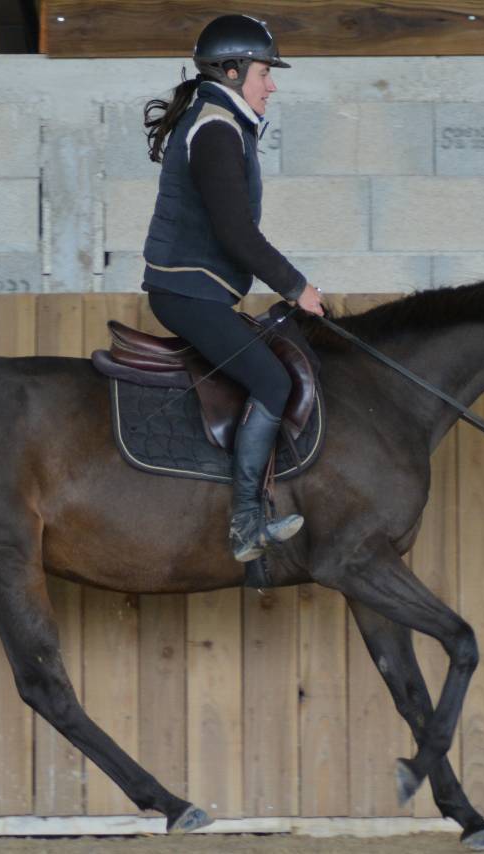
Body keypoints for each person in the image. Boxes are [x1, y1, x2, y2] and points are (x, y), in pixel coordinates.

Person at [141, 13, 324, 563]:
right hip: (186, 293)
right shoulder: (216, 128)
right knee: (271, 382)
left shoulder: (220, 121)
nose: (272, 85)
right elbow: (236, 232)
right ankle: (246, 522)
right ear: (232, 70)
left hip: (198, 291)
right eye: (265, 73)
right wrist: (296, 286)